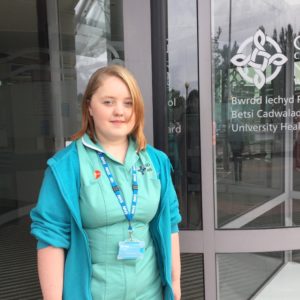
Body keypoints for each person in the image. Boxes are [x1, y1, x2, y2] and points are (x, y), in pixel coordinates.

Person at [30, 64, 182, 300]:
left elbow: (170, 224)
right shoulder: (66, 166)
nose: (119, 111)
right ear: (89, 106)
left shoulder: (156, 161)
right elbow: (51, 238)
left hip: (151, 294)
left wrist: (175, 285)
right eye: (108, 102)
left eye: (128, 102)